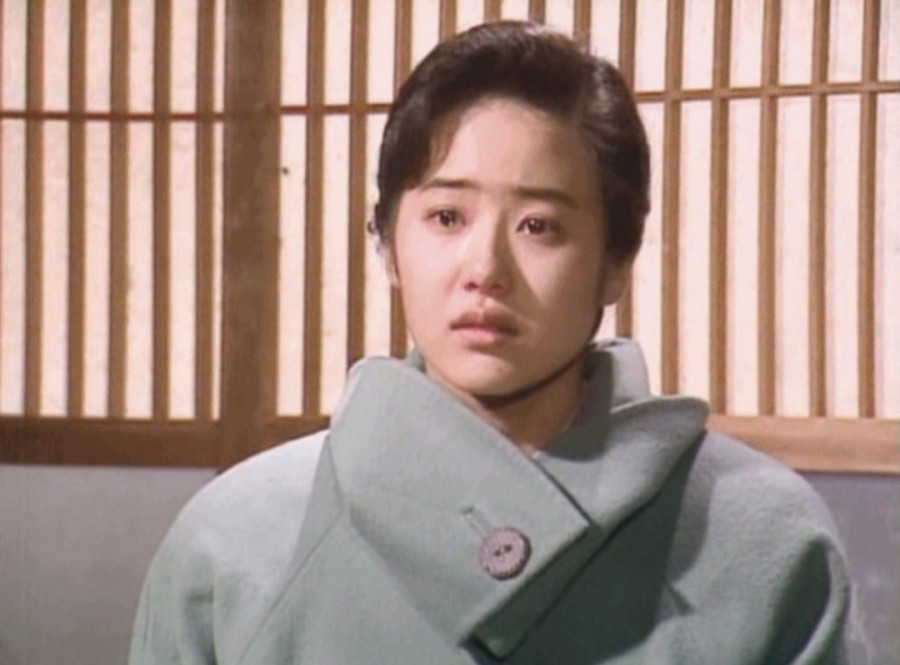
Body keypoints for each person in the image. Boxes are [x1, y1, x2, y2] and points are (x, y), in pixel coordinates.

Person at [129, 22, 856, 664]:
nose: (485, 269)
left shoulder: (767, 540)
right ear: (387, 244)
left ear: (616, 262)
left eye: (539, 225)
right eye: (447, 217)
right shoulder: (233, 543)